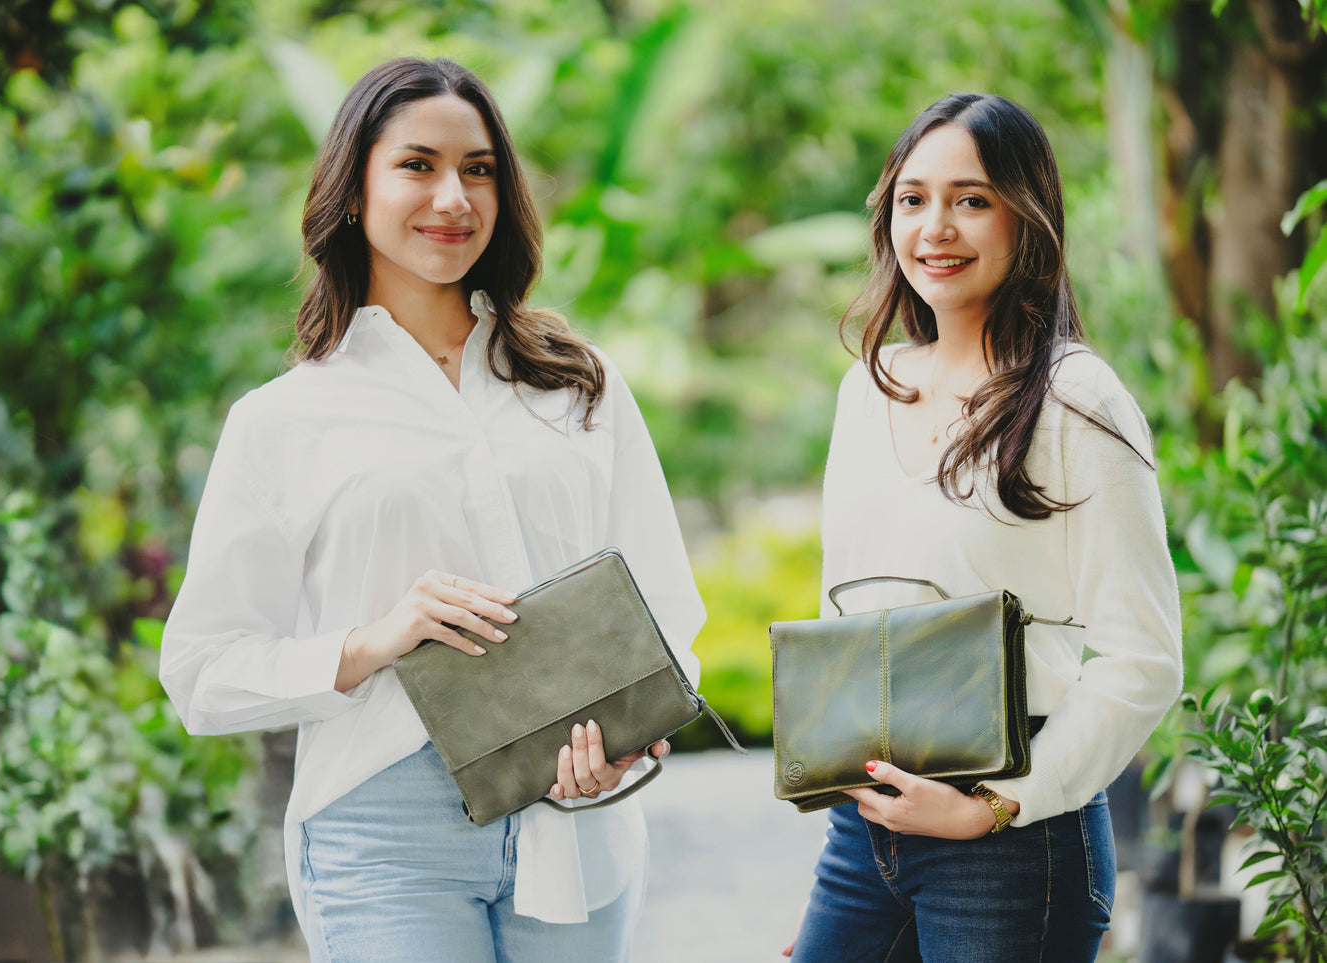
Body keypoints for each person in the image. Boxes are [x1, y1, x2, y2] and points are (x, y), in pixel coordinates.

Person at [158, 57, 704, 961]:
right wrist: (373, 640)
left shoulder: (579, 386)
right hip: (381, 824)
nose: (453, 196)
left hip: (576, 824)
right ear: (353, 187)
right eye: (417, 165)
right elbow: (202, 671)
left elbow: (666, 605)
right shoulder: (282, 420)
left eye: (478, 168)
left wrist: (626, 741)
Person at [785, 93, 1184, 961]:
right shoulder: (870, 385)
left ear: (1026, 217)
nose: (936, 227)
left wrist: (996, 803)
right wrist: (840, 889)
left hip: (1012, 837)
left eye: (971, 199)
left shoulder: (1075, 397)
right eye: (912, 199)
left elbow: (1143, 655)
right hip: (867, 832)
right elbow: (849, 616)